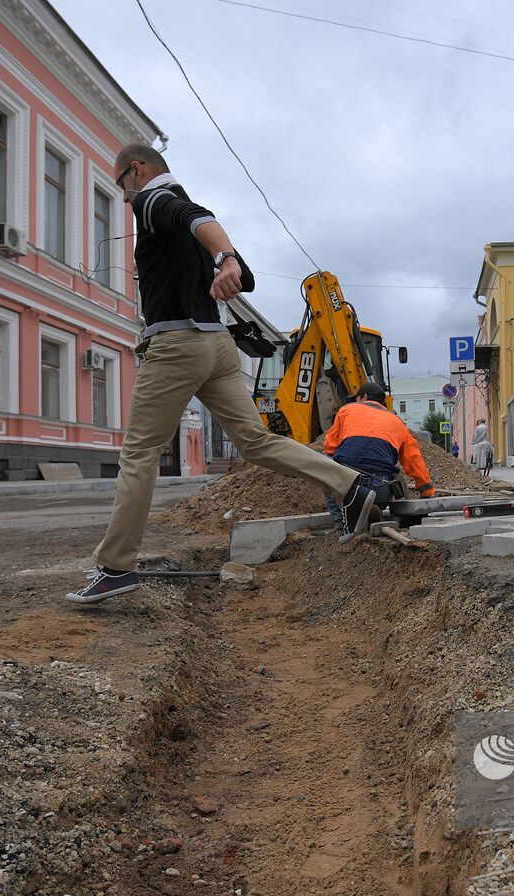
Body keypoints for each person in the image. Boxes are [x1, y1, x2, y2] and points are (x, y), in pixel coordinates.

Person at [67, 144, 379, 604]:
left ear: (137, 170)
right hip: (217, 346)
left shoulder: (153, 200)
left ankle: (115, 567)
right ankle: (351, 485)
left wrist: (226, 258)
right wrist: (229, 261)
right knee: (257, 441)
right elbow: (224, 253)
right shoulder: (185, 213)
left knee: (138, 455)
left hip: (175, 347)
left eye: (121, 185)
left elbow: (191, 217)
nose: (123, 196)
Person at [321, 382, 435, 540]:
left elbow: (329, 447)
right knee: (395, 471)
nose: (355, 402)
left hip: (347, 485)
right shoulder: (397, 423)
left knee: (326, 462)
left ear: (364, 397)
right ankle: (375, 507)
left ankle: (340, 520)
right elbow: (414, 461)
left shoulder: (347, 410)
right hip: (379, 487)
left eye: (357, 399)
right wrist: (426, 491)